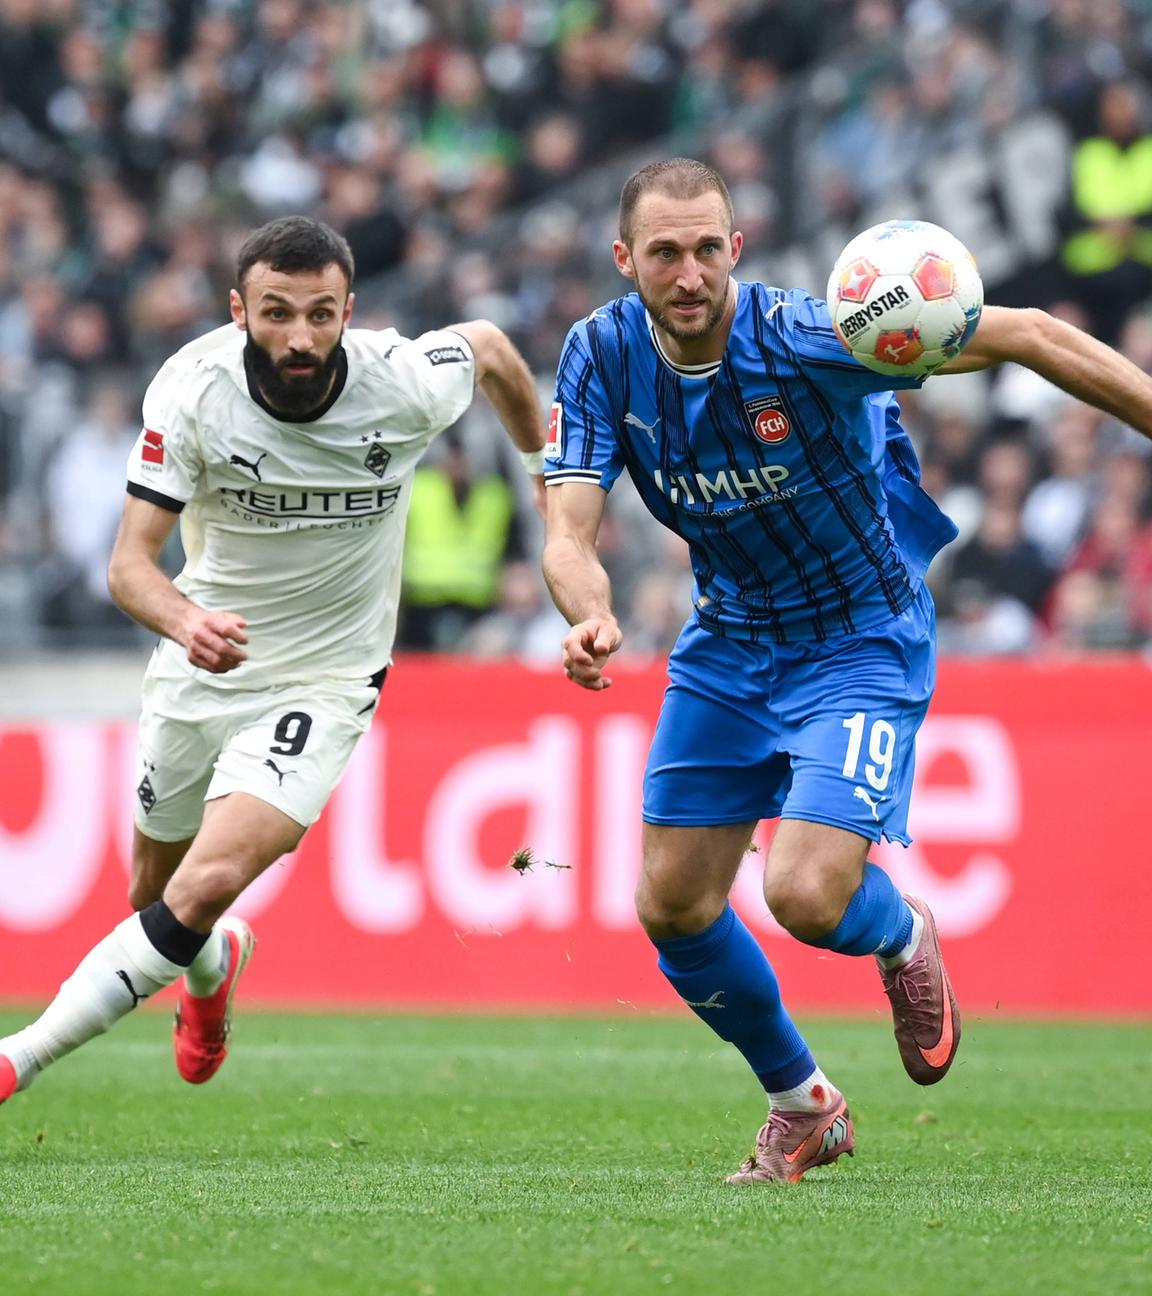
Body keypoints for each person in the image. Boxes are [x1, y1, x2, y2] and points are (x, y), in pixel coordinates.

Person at [540, 158, 1152, 1184]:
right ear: (625, 259)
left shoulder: (808, 337)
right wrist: (591, 612)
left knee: (808, 896)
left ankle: (900, 932)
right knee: (673, 910)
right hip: (728, 644)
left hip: (859, 640)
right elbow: (567, 526)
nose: (688, 274)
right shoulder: (597, 356)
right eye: (664, 253)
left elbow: (1034, 334)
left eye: (705, 250)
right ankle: (804, 1107)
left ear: (735, 249)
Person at [0, 216, 546, 1104]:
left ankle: (16, 1058)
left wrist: (545, 475)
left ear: (349, 311)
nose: (301, 336)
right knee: (160, 897)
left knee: (209, 877)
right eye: (278, 312)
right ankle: (215, 971)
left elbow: (488, 350)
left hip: (326, 681)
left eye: (322, 314)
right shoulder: (193, 392)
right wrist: (183, 620)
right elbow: (128, 566)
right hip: (205, 664)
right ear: (238, 308)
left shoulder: (402, 384)